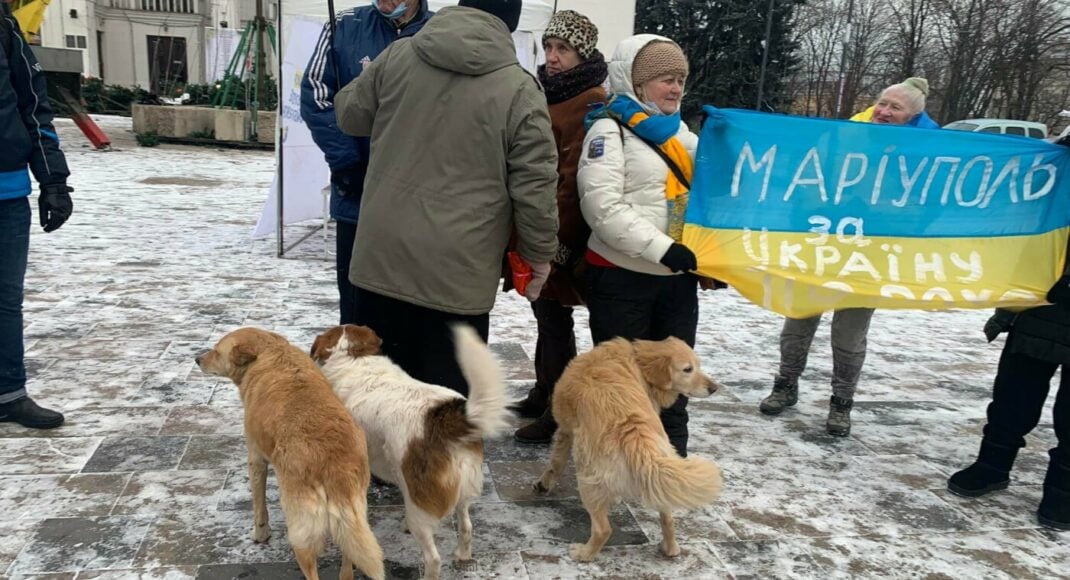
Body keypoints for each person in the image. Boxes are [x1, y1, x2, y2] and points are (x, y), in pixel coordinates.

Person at [332, 0, 559, 396]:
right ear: (513, 20)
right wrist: (539, 256)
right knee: (444, 413)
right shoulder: (520, 89)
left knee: (375, 398)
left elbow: (349, 115)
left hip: (381, 259)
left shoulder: (399, 54)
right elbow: (536, 185)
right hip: (459, 273)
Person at [760, 77, 939, 437]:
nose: (884, 112)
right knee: (798, 321)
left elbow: (924, 208)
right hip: (820, 246)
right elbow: (808, 179)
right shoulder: (843, 135)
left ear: (913, 116)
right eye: (882, 104)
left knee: (849, 334)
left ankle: (842, 401)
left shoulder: (925, 152)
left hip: (868, 257)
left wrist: (882, 214)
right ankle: (785, 385)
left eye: (895, 108)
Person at [577, 34, 700, 458]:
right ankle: (620, 459)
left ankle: (671, 458)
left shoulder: (684, 138)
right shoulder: (608, 132)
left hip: (676, 282)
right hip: (621, 279)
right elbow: (602, 207)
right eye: (665, 79)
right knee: (621, 381)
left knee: (675, 375)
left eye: (680, 79)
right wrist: (663, 249)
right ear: (636, 82)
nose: (675, 88)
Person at [945, 135, 1070, 531]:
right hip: (1037, 302)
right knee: (1013, 395)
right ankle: (992, 464)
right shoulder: (1053, 161)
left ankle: (1063, 492)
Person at [509, 10, 608, 445]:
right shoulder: (547, 92)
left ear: (581, 53)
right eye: (549, 47)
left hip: (562, 233)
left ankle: (557, 410)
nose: (552, 57)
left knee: (555, 320)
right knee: (545, 317)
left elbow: (570, 178)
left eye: (562, 49)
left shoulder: (590, 100)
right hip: (541, 224)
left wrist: (556, 243)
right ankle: (543, 390)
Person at [300, 0, 432, 325]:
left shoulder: (438, 33)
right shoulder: (344, 26)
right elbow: (316, 94)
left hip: (417, 203)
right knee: (357, 308)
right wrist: (346, 162)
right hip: (356, 198)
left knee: (410, 310)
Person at [0, 1, 73, 429]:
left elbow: (33, 108)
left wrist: (53, 181)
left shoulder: (4, 29)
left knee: (6, 301)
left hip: (7, 191)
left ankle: (9, 393)